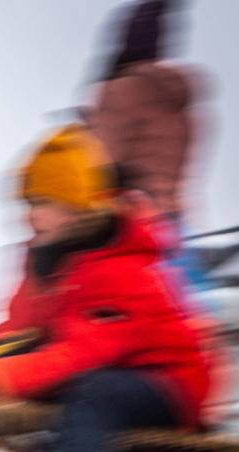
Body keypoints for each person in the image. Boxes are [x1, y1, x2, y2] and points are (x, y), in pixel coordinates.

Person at [0, 125, 211, 452]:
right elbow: (16, 335)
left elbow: (81, 354)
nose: (28, 215)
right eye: (25, 203)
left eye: (41, 203)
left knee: (95, 392)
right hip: (86, 368)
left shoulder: (120, 269)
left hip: (165, 384)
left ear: (77, 206)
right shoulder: (44, 261)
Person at [83, 0, 210, 293]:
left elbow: (100, 160)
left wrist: (85, 131)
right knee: (183, 301)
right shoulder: (180, 103)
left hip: (128, 220)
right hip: (172, 216)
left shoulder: (120, 90)